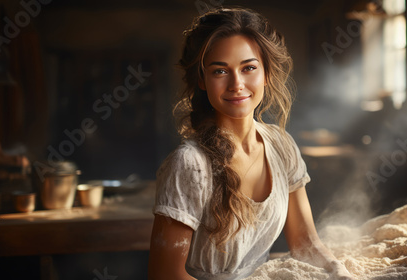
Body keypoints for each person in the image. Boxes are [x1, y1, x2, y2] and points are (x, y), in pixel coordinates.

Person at [148, 7, 354, 280]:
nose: (237, 84)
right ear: (202, 79)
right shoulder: (189, 164)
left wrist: (338, 272)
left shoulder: (281, 146)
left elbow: (305, 244)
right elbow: (165, 275)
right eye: (220, 71)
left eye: (249, 68)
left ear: (266, 73)